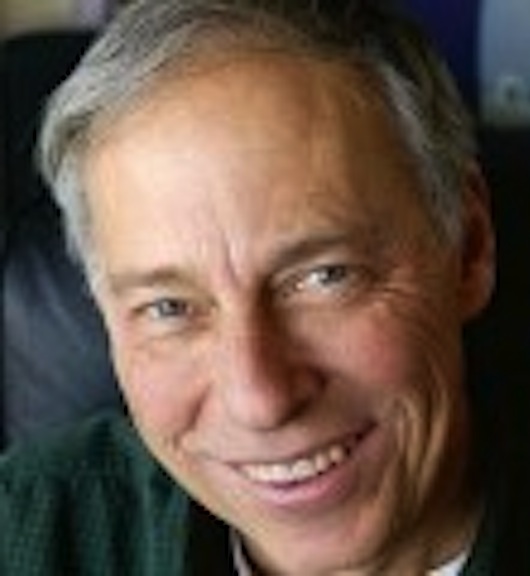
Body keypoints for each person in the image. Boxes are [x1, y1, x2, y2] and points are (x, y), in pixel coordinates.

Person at [1, 0, 498, 574]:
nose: (260, 401)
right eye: (169, 308)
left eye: (325, 276)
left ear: (468, 248)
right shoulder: (26, 529)